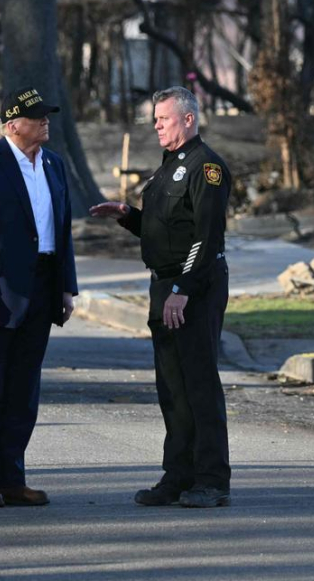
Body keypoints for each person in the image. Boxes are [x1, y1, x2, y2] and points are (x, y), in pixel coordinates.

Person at [89, 86, 233, 509]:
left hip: (194, 289)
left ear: (188, 119)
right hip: (165, 287)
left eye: (163, 119)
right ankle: (177, 476)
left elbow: (205, 239)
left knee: (200, 385)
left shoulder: (207, 168)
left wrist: (181, 291)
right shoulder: (170, 166)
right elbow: (168, 229)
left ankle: (212, 480)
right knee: (172, 388)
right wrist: (128, 217)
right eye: (154, 119)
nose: (156, 126)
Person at [0, 86, 78, 509]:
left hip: (41, 287)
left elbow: (62, 231)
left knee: (24, 389)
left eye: (47, 115)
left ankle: (11, 479)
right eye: (37, 116)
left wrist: (65, 286)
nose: (45, 122)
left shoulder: (55, 165)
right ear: (12, 125)